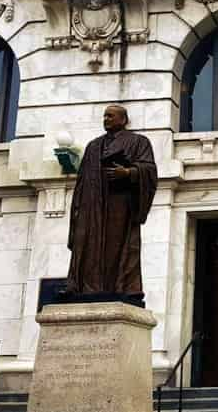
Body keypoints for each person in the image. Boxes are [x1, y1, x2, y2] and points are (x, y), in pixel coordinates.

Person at [63, 105, 157, 306]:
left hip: (120, 204)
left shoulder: (138, 142)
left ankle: (120, 288)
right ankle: (81, 286)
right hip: (93, 204)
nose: (106, 119)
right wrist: (78, 207)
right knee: (86, 243)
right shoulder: (93, 146)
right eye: (104, 116)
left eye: (110, 116)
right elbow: (81, 180)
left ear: (123, 120)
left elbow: (149, 170)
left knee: (117, 248)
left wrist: (129, 173)